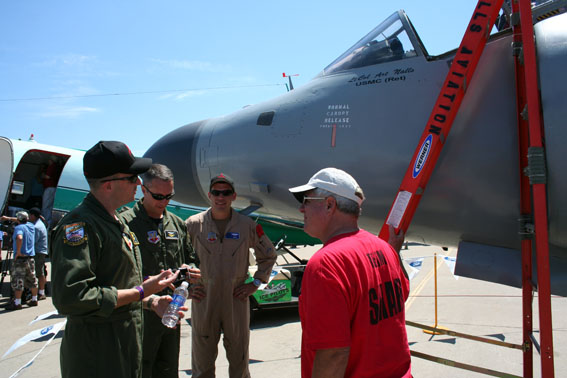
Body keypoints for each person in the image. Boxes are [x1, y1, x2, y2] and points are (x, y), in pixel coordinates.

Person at [50, 141, 184, 378]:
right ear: (109, 185)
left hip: (123, 349)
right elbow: (72, 297)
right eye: (132, 178)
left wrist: (151, 302)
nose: (138, 184)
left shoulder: (114, 222)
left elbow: (117, 285)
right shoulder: (81, 226)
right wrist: (141, 292)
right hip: (98, 357)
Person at [288, 167, 411, 378]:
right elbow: (402, 294)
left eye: (306, 200)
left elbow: (333, 354)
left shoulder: (326, 264)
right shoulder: (385, 249)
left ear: (329, 205)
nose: (301, 209)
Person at [186, 173, 277, 378]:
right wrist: (187, 287)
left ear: (233, 196)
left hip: (236, 299)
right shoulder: (193, 225)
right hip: (204, 299)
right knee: (202, 364)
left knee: (239, 362)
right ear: (209, 195)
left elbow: (269, 256)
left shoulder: (246, 226)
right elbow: (176, 260)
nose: (221, 197)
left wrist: (255, 283)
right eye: (216, 193)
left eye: (226, 193)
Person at [121, 163, 200, 378]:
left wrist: (189, 272)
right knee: (138, 370)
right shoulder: (125, 223)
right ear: (143, 190)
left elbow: (191, 260)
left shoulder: (176, 224)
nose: (164, 202)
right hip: (138, 315)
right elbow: (119, 275)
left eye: (169, 196)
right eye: (158, 196)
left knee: (167, 369)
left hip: (171, 312)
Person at [3, 211, 38, 311]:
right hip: (30, 257)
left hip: (20, 259)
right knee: (32, 279)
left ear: (18, 220)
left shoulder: (19, 228)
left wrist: (18, 252)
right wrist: (8, 218)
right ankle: (34, 299)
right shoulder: (31, 226)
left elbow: (19, 237)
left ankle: (17, 303)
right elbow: (21, 220)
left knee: (18, 280)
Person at [29, 207, 48, 300]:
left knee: (39, 272)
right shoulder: (39, 223)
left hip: (38, 252)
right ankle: (41, 291)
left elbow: (33, 241)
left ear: (33, 216)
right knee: (40, 271)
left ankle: (41, 292)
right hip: (41, 251)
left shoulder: (36, 227)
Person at [41, 158, 59, 227]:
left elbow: (47, 176)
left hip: (50, 187)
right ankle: (48, 221)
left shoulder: (51, 166)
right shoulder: (56, 167)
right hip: (53, 187)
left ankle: (46, 221)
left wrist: (42, 175)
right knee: (50, 206)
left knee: (45, 205)